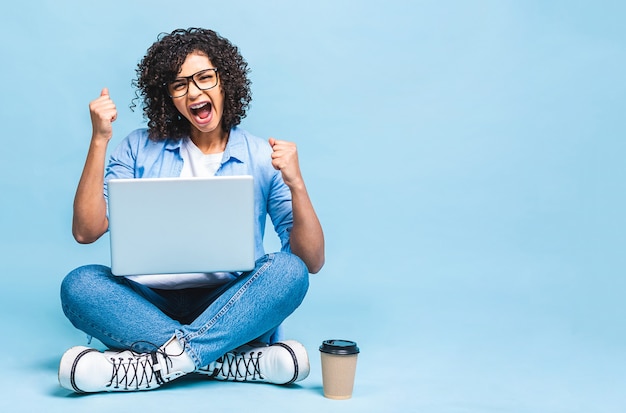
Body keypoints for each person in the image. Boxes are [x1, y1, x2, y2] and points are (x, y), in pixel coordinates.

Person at [58, 27, 325, 393]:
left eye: (204, 78)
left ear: (225, 81)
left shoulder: (262, 156)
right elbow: (86, 231)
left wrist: (297, 183)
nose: (195, 92)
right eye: (180, 84)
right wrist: (100, 139)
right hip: (146, 306)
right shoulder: (138, 147)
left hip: (231, 304)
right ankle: (227, 361)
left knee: (288, 270)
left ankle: (154, 363)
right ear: (168, 96)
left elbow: (310, 261)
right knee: (80, 284)